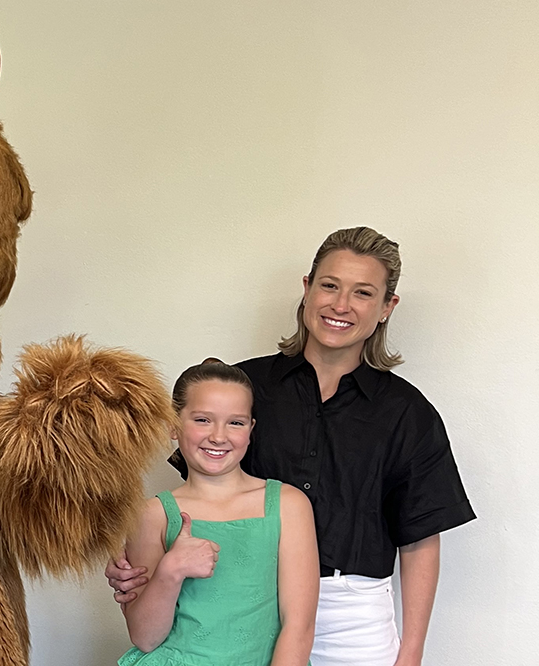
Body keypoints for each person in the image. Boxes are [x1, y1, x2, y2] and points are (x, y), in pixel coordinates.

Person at [107, 227, 476, 666]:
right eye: (329, 285)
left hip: (352, 616)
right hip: (239, 602)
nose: (340, 305)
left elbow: (419, 538)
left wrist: (411, 651)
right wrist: (140, 567)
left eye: (362, 293)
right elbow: (201, 500)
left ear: (385, 307)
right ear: (307, 288)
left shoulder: (407, 413)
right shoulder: (243, 388)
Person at [119, 358, 318, 666]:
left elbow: (299, 626)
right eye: (202, 420)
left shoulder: (288, 505)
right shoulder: (152, 513)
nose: (218, 436)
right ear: (173, 424)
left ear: (250, 429)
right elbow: (145, 637)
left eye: (235, 422)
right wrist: (171, 570)